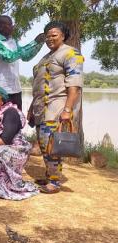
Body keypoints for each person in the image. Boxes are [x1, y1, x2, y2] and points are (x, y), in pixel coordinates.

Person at [29, 21, 85, 194]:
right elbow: (38, 85)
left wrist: (67, 110)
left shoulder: (70, 53)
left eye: (54, 35)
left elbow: (74, 85)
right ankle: (49, 175)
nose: (49, 38)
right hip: (41, 108)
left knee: (51, 145)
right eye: (47, 36)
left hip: (56, 107)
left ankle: (54, 182)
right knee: (44, 143)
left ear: (63, 36)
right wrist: (31, 108)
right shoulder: (46, 57)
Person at [0, 15, 45, 110]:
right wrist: (33, 43)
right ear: (1, 26)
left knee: (17, 121)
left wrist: (39, 43)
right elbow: (10, 57)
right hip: (1, 90)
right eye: (10, 24)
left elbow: (26, 57)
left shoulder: (13, 41)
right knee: (3, 122)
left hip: (16, 90)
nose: (13, 27)